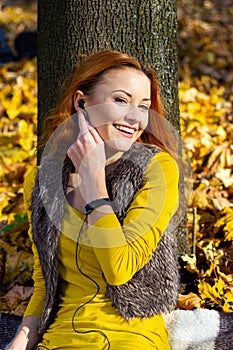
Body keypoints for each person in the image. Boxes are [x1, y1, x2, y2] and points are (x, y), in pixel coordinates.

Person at [7, 50, 180, 350]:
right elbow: (44, 281)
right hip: (61, 339)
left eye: (143, 106)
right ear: (82, 103)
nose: (135, 117)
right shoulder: (42, 182)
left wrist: (93, 183)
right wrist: (22, 338)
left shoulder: (158, 169)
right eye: (121, 100)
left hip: (132, 339)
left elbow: (119, 269)